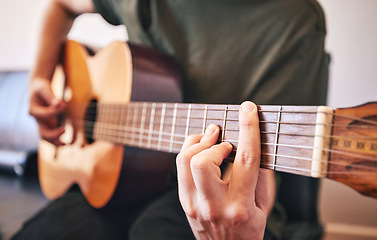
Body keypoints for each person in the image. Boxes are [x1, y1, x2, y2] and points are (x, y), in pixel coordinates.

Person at [12, 0, 328, 239]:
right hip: (114, 176)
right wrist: (39, 78)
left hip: (216, 190)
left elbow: (271, 149)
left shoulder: (294, 19)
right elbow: (61, 5)